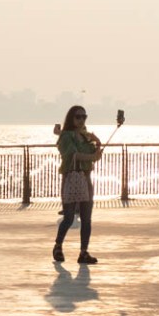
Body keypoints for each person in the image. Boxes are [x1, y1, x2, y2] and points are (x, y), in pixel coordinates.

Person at [53, 105, 103, 264]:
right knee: (68, 217)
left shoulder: (85, 135)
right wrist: (93, 156)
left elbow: (92, 156)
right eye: (78, 117)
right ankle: (58, 246)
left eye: (84, 117)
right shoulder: (66, 136)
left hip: (86, 178)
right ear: (71, 118)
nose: (81, 120)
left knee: (86, 218)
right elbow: (73, 155)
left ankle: (83, 252)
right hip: (72, 177)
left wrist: (97, 144)